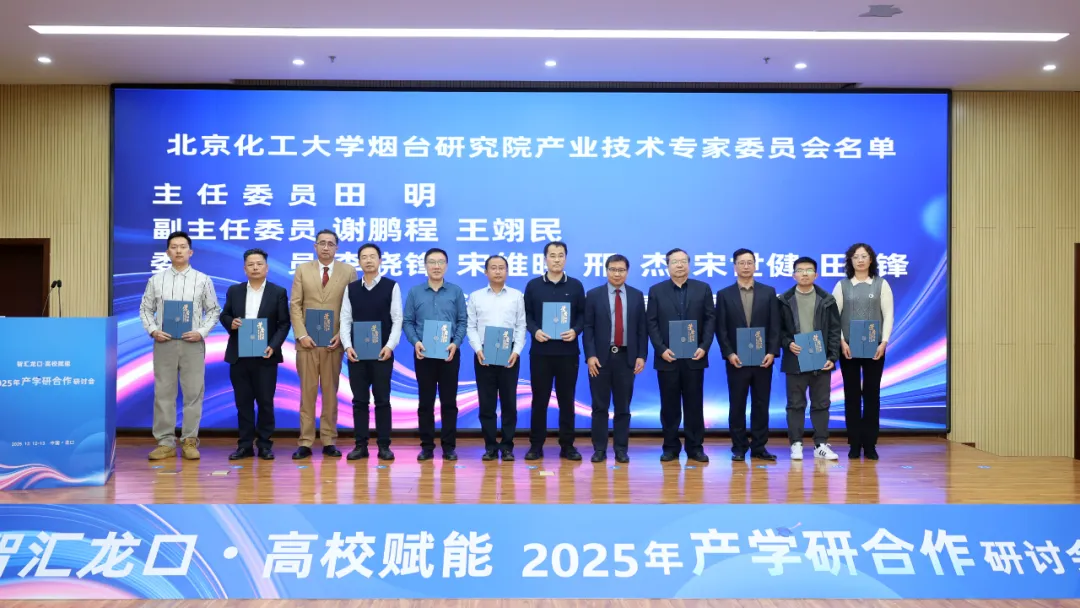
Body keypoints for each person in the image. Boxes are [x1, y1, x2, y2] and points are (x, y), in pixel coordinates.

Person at [138, 231, 221, 461]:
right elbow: (145, 309)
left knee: (194, 392)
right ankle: (165, 442)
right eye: (174, 247)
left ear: (190, 252)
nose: (178, 251)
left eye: (183, 247)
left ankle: (189, 440)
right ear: (167, 252)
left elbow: (214, 310)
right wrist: (153, 330)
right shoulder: (156, 280)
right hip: (164, 342)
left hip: (192, 343)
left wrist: (201, 332)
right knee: (164, 392)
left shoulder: (202, 279)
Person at [289, 229, 358, 460]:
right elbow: (295, 305)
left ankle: (329, 440)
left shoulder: (348, 271)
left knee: (330, 393)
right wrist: (301, 334)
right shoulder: (302, 269)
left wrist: (341, 335)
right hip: (307, 344)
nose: (326, 247)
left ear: (337, 247)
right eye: (322, 243)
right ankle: (305, 441)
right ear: (315, 246)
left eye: (330, 244)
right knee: (307, 393)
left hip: (333, 343)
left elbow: (352, 307)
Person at [219, 248, 290, 461]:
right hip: (239, 355)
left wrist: (273, 346)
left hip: (265, 355)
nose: (255, 267)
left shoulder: (278, 292)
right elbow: (225, 314)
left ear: (266, 268)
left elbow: (284, 323)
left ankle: (265, 445)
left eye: (259, 264)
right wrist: (230, 322)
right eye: (251, 264)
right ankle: (245, 445)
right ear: (245, 269)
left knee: (266, 402)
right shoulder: (235, 291)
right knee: (243, 403)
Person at [646, 248, 715, 463]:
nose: (679, 265)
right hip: (668, 357)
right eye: (675, 261)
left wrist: (704, 346)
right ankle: (670, 447)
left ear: (689, 264)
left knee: (694, 405)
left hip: (695, 357)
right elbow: (651, 322)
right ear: (667, 265)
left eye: (683, 261)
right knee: (669, 406)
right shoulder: (656, 290)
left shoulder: (702, 288)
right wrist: (661, 349)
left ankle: (695, 448)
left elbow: (710, 319)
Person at [715, 249, 781, 462]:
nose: (745, 266)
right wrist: (729, 353)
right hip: (737, 359)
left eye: (749, 262)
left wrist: (772, 352)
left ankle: (759, 447)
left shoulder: (768, 292)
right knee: (737, 405)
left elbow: (775, 325)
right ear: (735, 266)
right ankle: (739, 447)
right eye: (741, 263)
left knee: (761, 404)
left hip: (763, 359)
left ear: (755, 265)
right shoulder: (724, 294)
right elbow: (720, 328)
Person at [523, 241, 587, 461]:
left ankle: (567, 445)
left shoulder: (576, 286)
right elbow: (526, 315)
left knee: (567, 401)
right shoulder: (533, 286)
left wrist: (575, 330)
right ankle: (536, 446)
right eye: (552, 255)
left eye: (561, 255)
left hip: (568, 353)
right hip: (541, 353)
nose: (557, 259)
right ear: (545, 259)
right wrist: (535, 331)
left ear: (566, 258)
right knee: (539, 400)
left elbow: (583, 315)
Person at [403, 247, 467, 461]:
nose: (436, 266)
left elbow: (462, 321)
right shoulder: (415, 292)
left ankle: (449, 447)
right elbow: (408, 322)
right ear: (425, 265)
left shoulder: (456, 292)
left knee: (449, 402)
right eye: (432, 262)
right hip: (424, 354)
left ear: (446, 266)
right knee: (425, 402)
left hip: (449, 354)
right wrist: (416, 342)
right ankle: (427, 447)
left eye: (440, 262)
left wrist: (455, 344)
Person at [340, 243, 403, 462]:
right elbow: (345, 319)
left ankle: (384, 446)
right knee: (359, 401)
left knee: (382, 400)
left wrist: (390, 346)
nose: (368, 260)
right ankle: (361, 445)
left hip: (382, 354)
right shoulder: (351, 288)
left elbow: (397, 319)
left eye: (372, 256)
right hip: (357, 355)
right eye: (364, 257)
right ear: (359, 262)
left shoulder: (391, 286)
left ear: (380, 260)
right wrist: (347, 346)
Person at [583, 254, 647, 463]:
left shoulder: (636, 296)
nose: (617, 273)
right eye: (613, 269)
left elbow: (642, 329)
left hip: (626, 358)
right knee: (599, 407)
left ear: (627, 272)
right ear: (606, 270)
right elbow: (588, 328)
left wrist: (641, 355)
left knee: (623, 408)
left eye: (621, 270)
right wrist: (590, 355)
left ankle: (621, 449)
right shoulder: (593, 295)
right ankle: (599, 449)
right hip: (600, 359)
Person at [834, 242, 894, 460]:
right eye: (856, 257)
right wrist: (842, 342)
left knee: (871, 394)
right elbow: (835, 317)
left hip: (874, 348)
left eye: (864, 256)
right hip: (848, 349)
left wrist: (884, 342)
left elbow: (888, 315)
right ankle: (854, 443)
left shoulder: (881, 284)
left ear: (871, 260)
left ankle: (870, 444)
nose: (860, 260)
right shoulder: (842, 285)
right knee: (851, 395)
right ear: (850, 261)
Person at [777, 256, 841, 461]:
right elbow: (777, 330)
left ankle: (820, 444)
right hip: (795, 358)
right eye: (800, 270)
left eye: (809, 270)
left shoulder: (827, 299)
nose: (804, 273)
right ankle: (796, 443)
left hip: (821, 358)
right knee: (795, 404)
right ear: (793, 275)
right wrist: (788, 343)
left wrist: (832, 356)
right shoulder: (783, 300)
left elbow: (834, 330)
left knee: (821, 403)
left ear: (816, 274)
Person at [466, 255, 527, 462]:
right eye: (493, 268)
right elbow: (471, 326)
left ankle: (508, 446)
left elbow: (521, 326)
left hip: (509, 354)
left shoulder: (516, 296)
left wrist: (516, 351)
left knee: (509, 403)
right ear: (486, 272)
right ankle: (490, 446)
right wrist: (478, 349)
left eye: (502, 267)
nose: (498, 271)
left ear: (507, 271)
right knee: (487, 403)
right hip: (484, 354)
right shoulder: (476, 297)